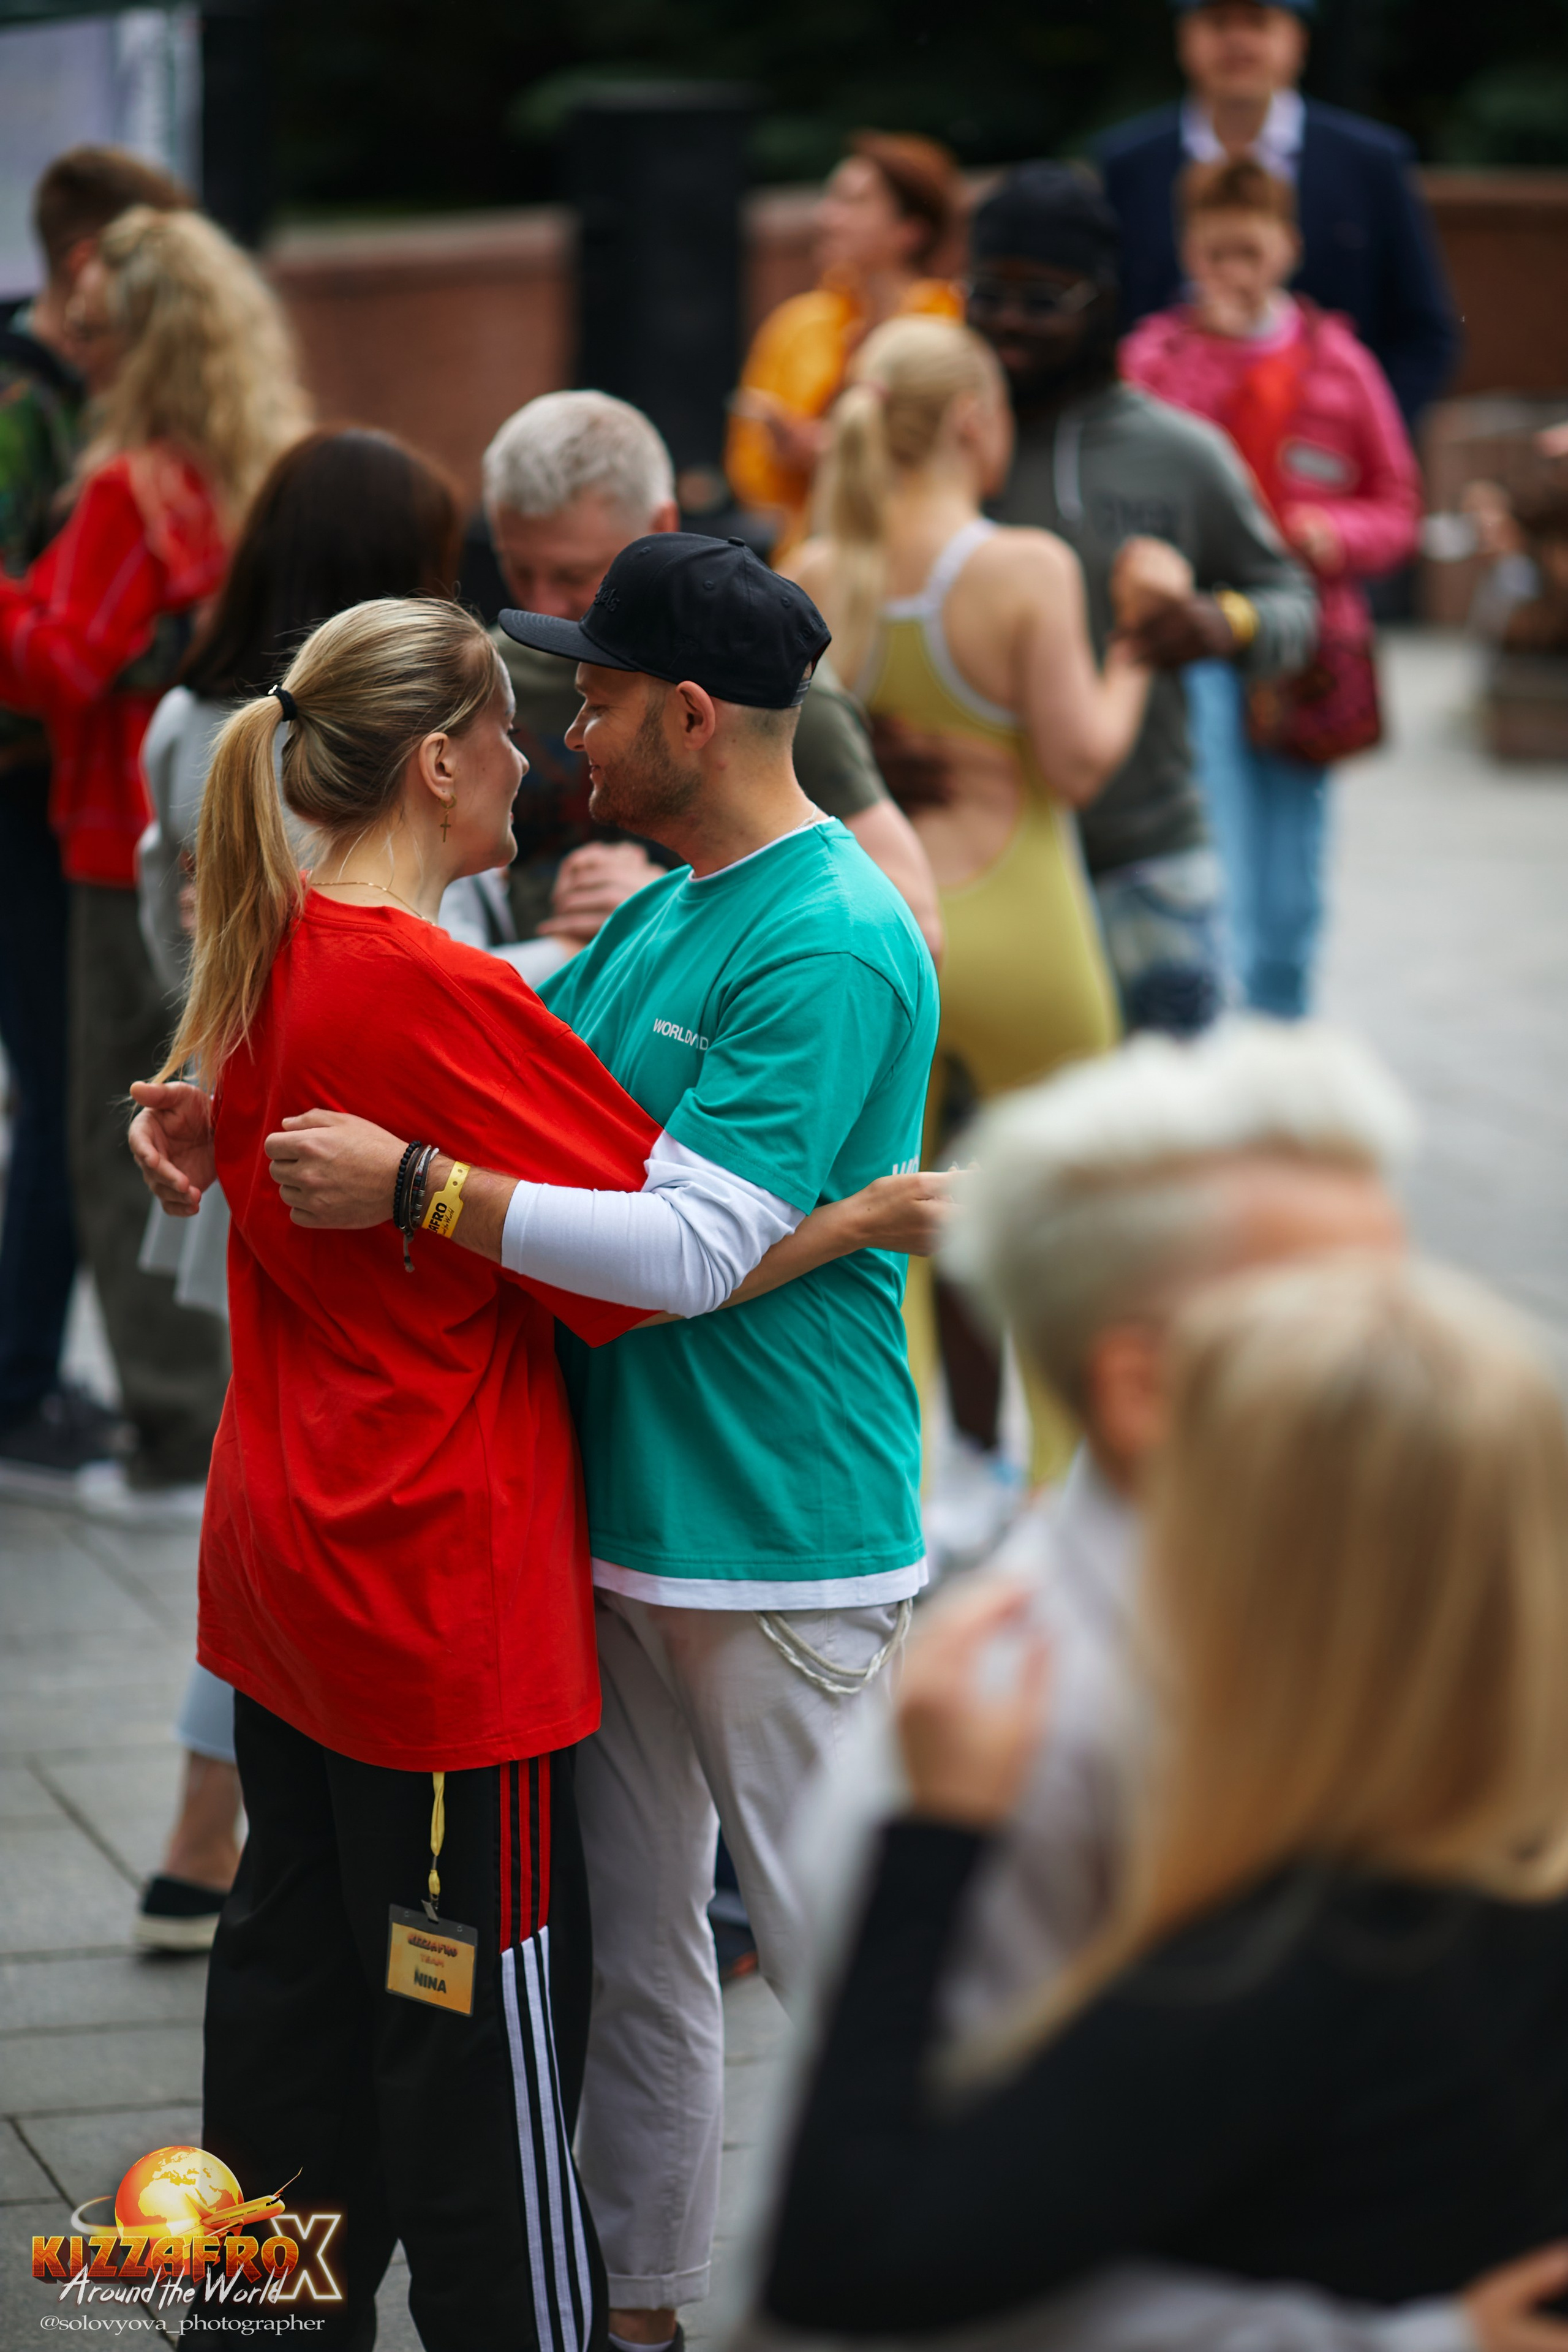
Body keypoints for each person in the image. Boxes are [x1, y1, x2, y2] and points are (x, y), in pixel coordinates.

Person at [128, 590, 939, 2347]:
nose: (553, 740)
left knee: (303, 2017)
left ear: (693, 713)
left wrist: (262, 1112)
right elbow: (670, 1242)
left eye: (593, 698)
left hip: (355, 1575)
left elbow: (640, 1208)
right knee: (483, 2072)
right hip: (441, 1598)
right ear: (435, 764)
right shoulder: (437, 975)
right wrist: (860, 1216)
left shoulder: (291, 947)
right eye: (521, 718)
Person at [761, 1022, 1568, 2352]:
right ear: (1140, 1388)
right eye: (1332, 1304)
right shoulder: (1045, 1726)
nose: (1408, 1333)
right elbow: (897, 2266)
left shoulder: (1349, 1599)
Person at [131, 424, 464, 1955]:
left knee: (262, 1460)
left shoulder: (194, 723)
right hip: (344, 1154)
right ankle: (244, 1816)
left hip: (237, 1118)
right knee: (324, 1469)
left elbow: (173, 935)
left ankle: (220, 1829)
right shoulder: (363, 734)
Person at [786, 311, 1160, 1485]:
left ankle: (906, 1497)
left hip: (888, 928)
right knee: (1077, 1218)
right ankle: (1066, 1493)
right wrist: (1140, 645)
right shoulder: (1025, 569)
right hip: (1029, 929)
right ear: (969, 423)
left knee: (884, 1233)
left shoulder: (814, 575)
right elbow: (1083, 760)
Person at [0, 202, 307, 1520]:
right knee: (212, 1095)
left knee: (118, 1125)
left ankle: (179, 1432)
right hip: (231, 819)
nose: (72, 346)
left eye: (90, 326)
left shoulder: (129, 483)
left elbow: (57, 660)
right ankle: (211, 1408)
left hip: (106, 828)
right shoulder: (253, 459)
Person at [960, 162, 1318, 1033]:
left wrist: (1222, 623)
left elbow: (1292, 605)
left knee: (1166, 1155)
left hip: (1145, 858)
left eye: (1043, 300)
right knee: (979, 1165)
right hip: (973, 860)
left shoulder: (1181, 454)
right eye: (989, 293)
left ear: (1106, 303)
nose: (1010, 323)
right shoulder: (932, 447)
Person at [482, 388, 943, 964]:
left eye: (574, 574)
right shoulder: (475, 681)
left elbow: (916, 931)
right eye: (517, 568)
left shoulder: (763, 690)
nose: (543, 604)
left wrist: (666, 912)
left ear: (662, 525)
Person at [0, 146, 190, 1498]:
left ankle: (60, 1386)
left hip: (80, 795)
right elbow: (72, 648)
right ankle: (32, 1382)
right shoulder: (43, 411)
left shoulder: (122, 445)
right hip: (55, 795)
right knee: (84, 1097)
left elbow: (75, 646)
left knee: (90, 1098)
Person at [1123, 160, 1422, 1016]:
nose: (1233, 274)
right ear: (1189, 251)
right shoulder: (1156, 356)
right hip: (1201, 638)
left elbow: (1398, 507)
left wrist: (1340, 535)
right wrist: (1211, 363)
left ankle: (1284, 1045)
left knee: (1292, 882)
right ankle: (1220, 1038)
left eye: (1250, 252)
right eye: (1215, 254)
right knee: (1218, 855)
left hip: (1309, 646)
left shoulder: (1342, 363)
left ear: (1288, 248)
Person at [1095, 0, 1460, 433]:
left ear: (1298, 40)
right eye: (1217, 22)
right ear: (1184, 39)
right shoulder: (1129, 166)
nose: (1237, 40)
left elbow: (1424, 334)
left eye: (1258, 21)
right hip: (1167, 451)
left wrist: (1356, 440)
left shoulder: (1370, 163)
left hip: (1325, 472)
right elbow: (1106, 324)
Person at [726, 133, 964, 559]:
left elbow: (962, 456)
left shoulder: (953, 325)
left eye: (852, 202)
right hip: (814, 559)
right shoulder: (797, 326)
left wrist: (831, 449)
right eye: (829, 199)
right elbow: (751, 479)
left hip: (925, 556)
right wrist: (785, 456)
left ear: (911, 229)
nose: (825, 217)